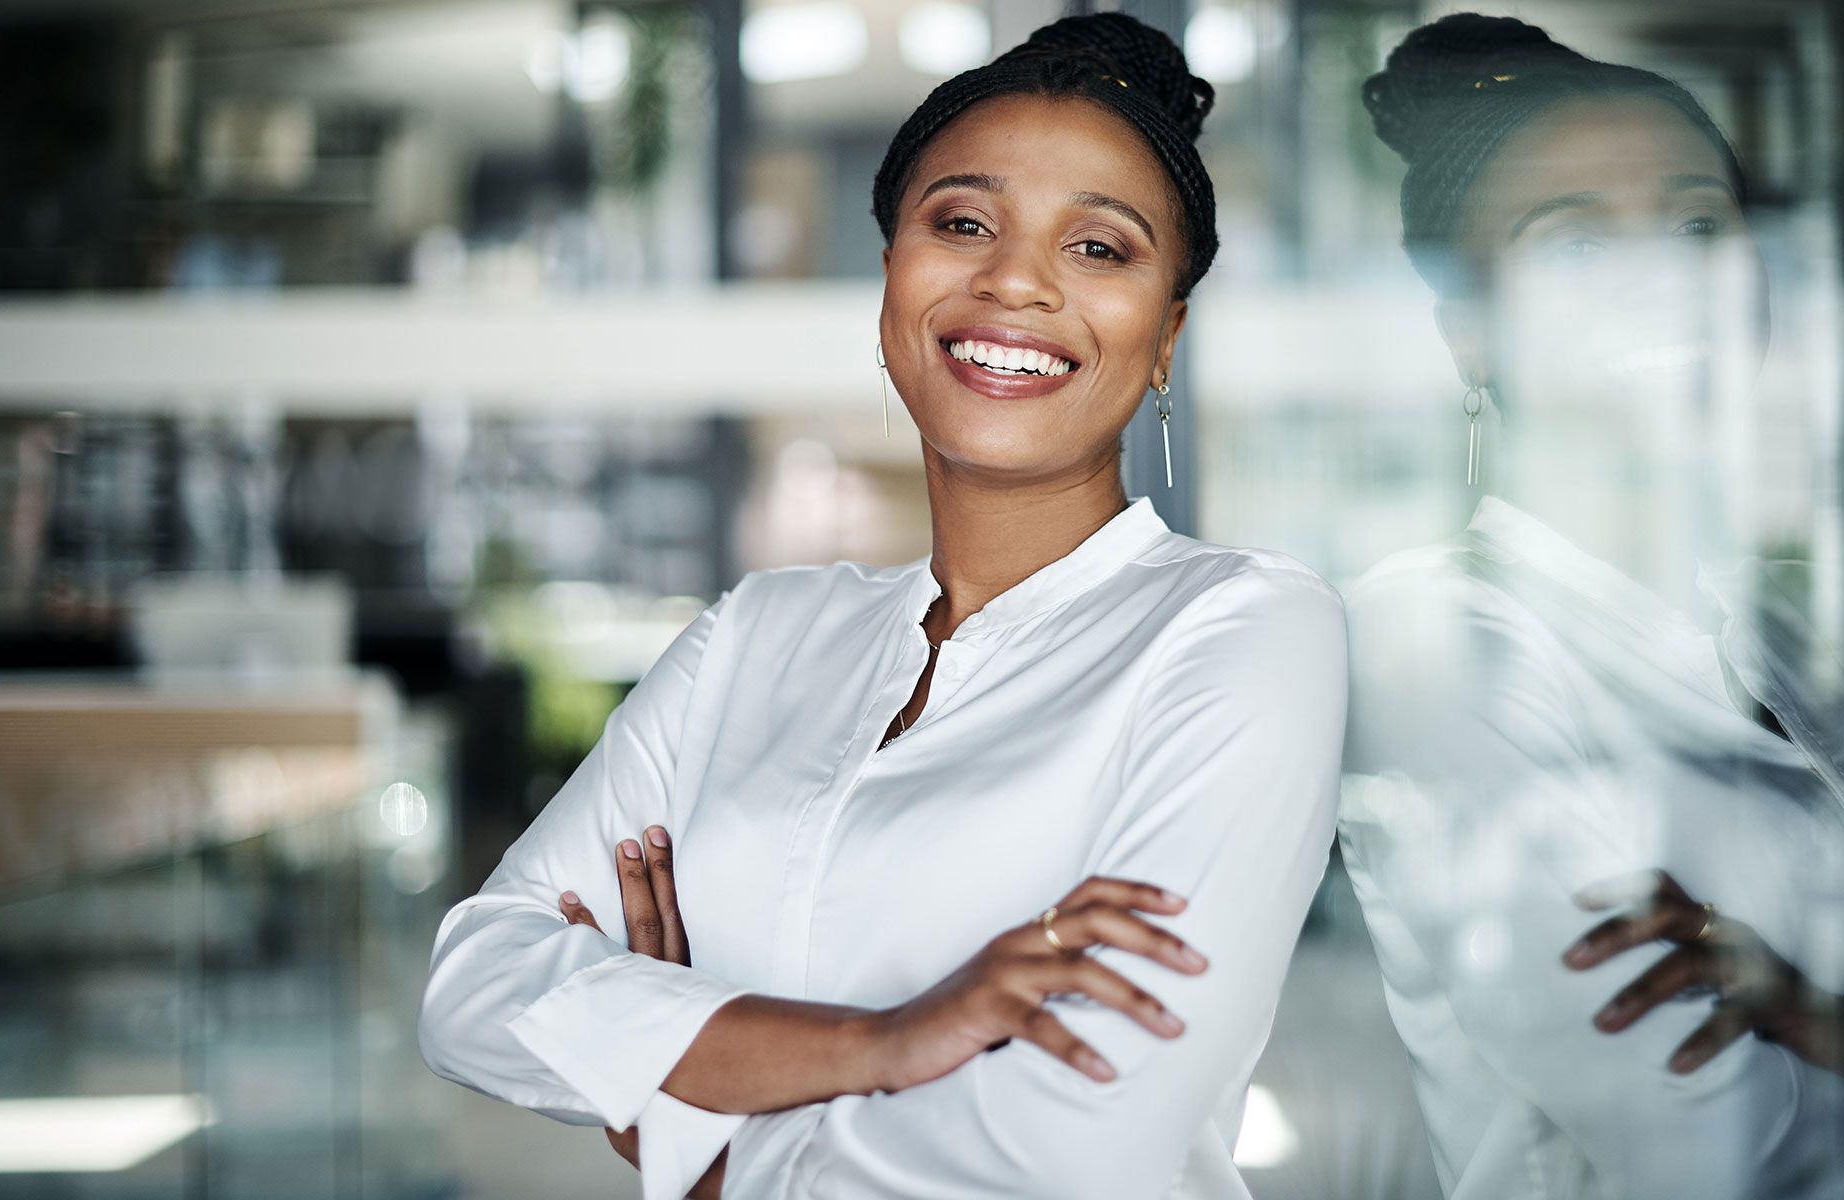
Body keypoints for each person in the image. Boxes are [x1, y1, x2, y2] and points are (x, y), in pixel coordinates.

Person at [415, 12, 1350, 1200]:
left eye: (1100, 249)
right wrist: (888, 1041)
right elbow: (477, 984)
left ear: (1166, 338)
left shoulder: (1244, 631)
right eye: (962, 223)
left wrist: (687, 1110)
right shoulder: (757, 635)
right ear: (890, 284)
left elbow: (1082, 1140)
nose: (1014, 279)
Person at [1337, 12, 1844, 1200]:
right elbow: (1713, 1150)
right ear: (1471, 336)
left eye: (1698, 223)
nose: (1661, 276)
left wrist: (1816, 1020)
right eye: (1571, 244)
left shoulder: (1777, 636)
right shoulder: (1435, 640)